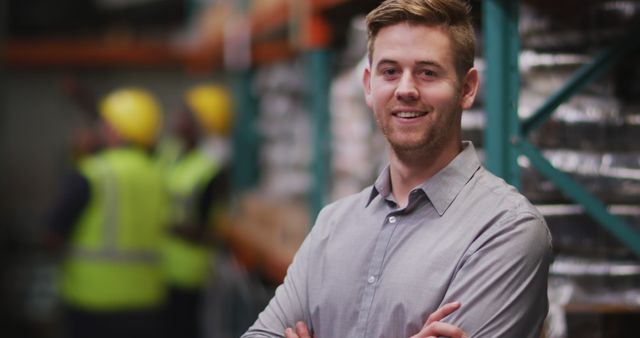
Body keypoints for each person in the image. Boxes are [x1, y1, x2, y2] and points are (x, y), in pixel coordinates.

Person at [241, 0, 552, 337]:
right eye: (390, 71)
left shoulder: (506, 230)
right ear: (368, 86)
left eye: (428, 72)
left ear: (467, 88)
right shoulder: (332, 225)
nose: (406, 89)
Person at [45, 88, 168, 338]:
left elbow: (51, 234)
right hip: (146, 302)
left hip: (92, 302)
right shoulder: (158, 173)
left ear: (114, 130)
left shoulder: (93, 172)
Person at [159, 84, 233, 338]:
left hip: (189, 274)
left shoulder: (211, 170)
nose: (176, 118)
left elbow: (207, 231)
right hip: (163, 269)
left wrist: (163, 225)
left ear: (201, 122)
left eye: (185, 114)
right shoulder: (172, 153)